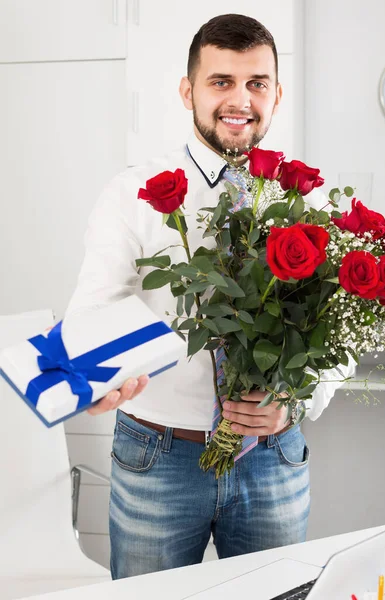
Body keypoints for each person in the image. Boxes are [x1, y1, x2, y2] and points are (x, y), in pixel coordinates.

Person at [66, 13, 354, 580]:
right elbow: (93, 312)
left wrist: (297, 401)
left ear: (276, 93)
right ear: (187, 90)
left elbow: (339, 332)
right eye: (220, 81)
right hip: (157, 457)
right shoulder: (133, 194)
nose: (240, 99)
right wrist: (93, 379)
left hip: (273, 455)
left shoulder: (315, 203)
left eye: (256, 83)